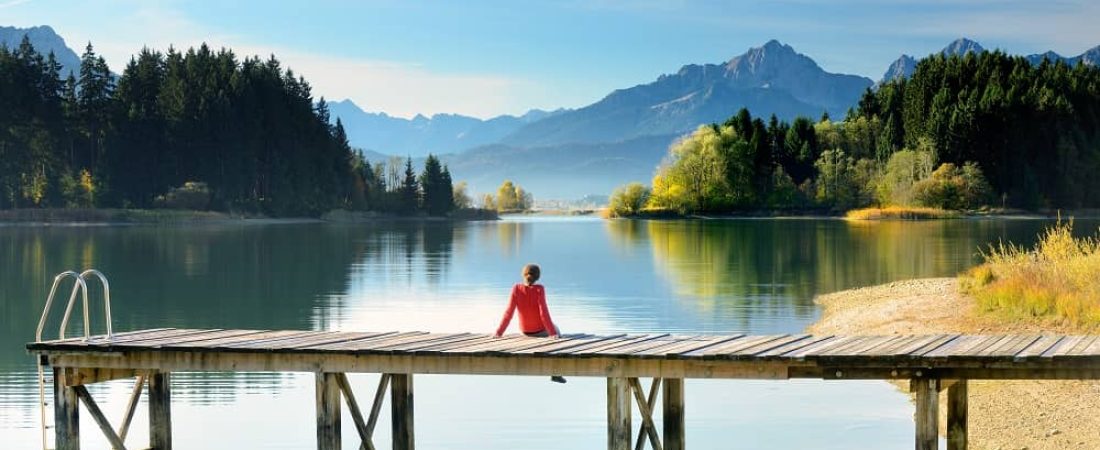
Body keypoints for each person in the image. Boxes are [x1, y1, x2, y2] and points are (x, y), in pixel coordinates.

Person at [494, 263, 566, 383]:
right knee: (557, 330)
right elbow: (544, 313)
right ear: (538, 277)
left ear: (523, 275)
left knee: (553, 329)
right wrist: (552, 333)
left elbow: (509, 313)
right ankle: (556, 373)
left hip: (525, 331)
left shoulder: (516, 288)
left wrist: (498, 332)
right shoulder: (539, 289)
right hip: (540, 331)